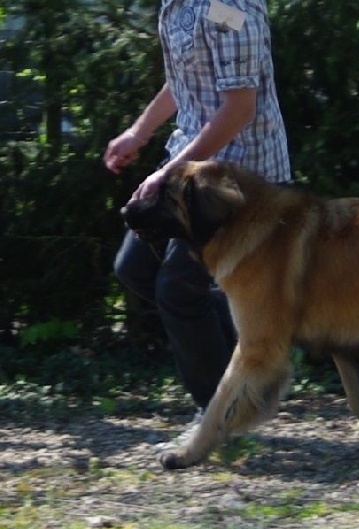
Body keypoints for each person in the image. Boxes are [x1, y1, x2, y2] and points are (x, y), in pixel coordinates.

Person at [103, 0, 291, 426]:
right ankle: (249, 380)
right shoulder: (178, 4)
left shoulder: (232, 7)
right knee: (135, 268)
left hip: (240, 179)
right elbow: (184, 79)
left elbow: (240, 107)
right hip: (190, 168)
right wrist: (138, 132)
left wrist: (168, 172)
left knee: (178, 291)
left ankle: (225, 413)